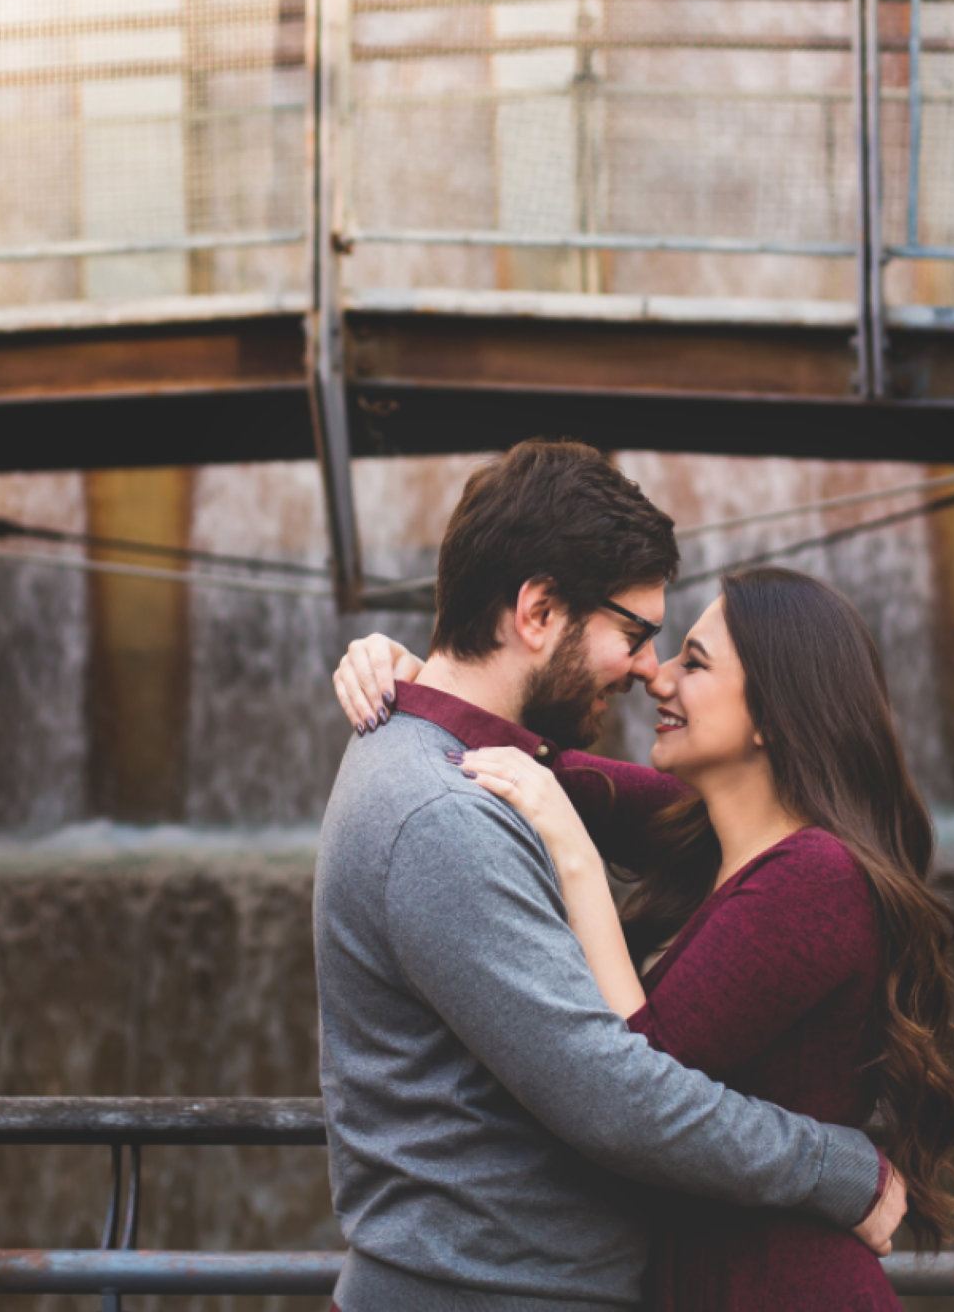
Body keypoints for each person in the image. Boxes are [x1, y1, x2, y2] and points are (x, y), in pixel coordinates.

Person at [315, 439, 909, 1312]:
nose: (647, 669)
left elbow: (592, 788)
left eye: (679, 654)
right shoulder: (443, 810)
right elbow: (617, 1098)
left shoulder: (465, 770)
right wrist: (841, 1166)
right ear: (539, 612)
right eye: (634, 634)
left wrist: (416, 685)